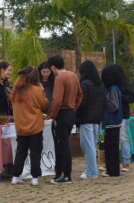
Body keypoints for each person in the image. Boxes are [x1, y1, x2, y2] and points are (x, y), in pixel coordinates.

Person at [10, 66, 50, 186]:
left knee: (20, 151)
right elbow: (45, 104)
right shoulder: (36, 90)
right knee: (35, 151)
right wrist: (42, 90)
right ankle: (35, 178)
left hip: (21, 127)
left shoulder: (16, 91)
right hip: (35, 126)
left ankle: (15, 176)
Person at [47, 55, 83, 184]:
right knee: (62, 143)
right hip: (70, 113)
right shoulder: (73, 75)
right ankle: (58, 173)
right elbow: (80, 94)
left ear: (52, 67)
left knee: (62, 145)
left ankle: (66, 175)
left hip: (61, 113)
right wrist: (73, 108)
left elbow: (57, 100)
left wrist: (53, 115)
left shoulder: (59, 78)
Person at [100, 64, 134, 172]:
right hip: (111, 116)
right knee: (111, 140)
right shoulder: (109, 85)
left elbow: (131, 98)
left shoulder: (125, 84)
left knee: (123, 139)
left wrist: (119, 96)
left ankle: (126, 162)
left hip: (123, 115)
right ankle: (110, 162)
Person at [75, 60, 106, 180]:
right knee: (90, 144)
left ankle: (92, 172)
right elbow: (103, 102)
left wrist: (76, 114)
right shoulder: (100, 84)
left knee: (88, 145)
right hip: (96, 119)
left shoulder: (84, 84)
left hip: (86, 119)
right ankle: (90, 169)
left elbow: (82, 103)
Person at [100, 64, 123, 177]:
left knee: (112, 148)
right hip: (110, 123)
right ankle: (111, 169)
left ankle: (113, 171)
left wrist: (104, 106)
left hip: (112, 122)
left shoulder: (113, 89)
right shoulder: (111, 88)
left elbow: (115, 106)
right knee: (109, 147)